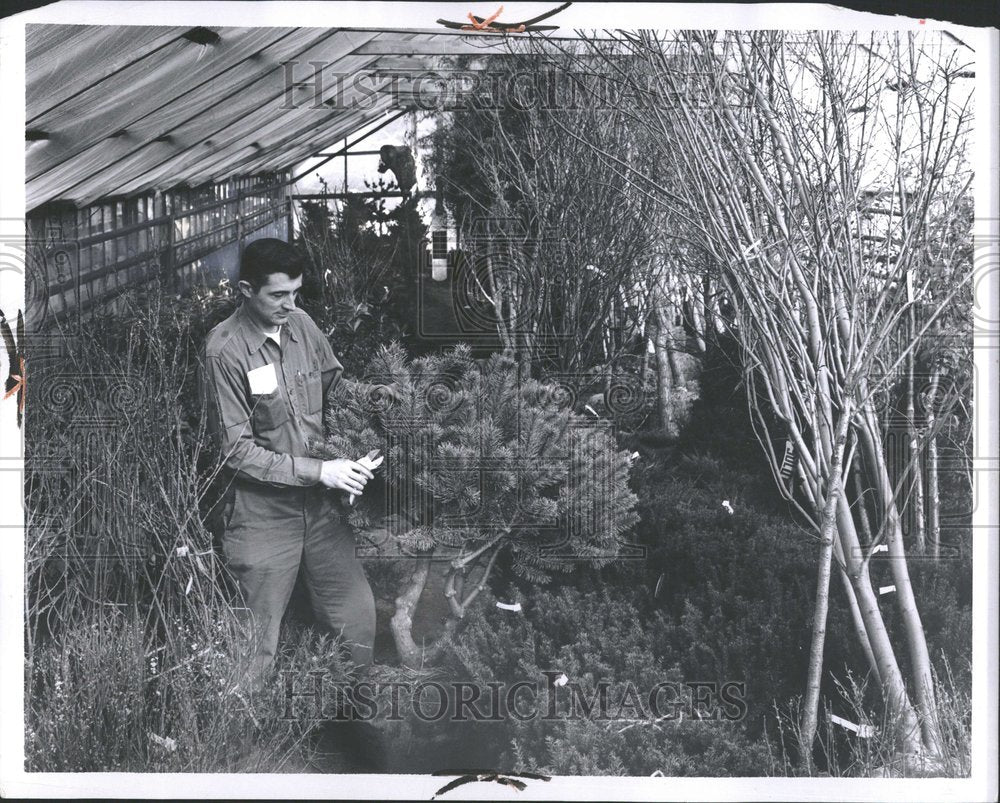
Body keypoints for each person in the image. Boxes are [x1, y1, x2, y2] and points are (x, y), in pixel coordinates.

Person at [200, 237, 390, 690]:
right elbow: (234, 450)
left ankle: (351, 720)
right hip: (261, 513)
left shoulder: (302, 326)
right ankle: (243, 739)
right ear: (246, 290)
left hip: (322, 512)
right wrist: (320, 470)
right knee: (254, 643)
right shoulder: (223, 352)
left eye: (297, 293)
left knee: (357, 622)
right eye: (278, 295)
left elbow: (335, 387)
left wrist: (374, 406)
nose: (291, 304)